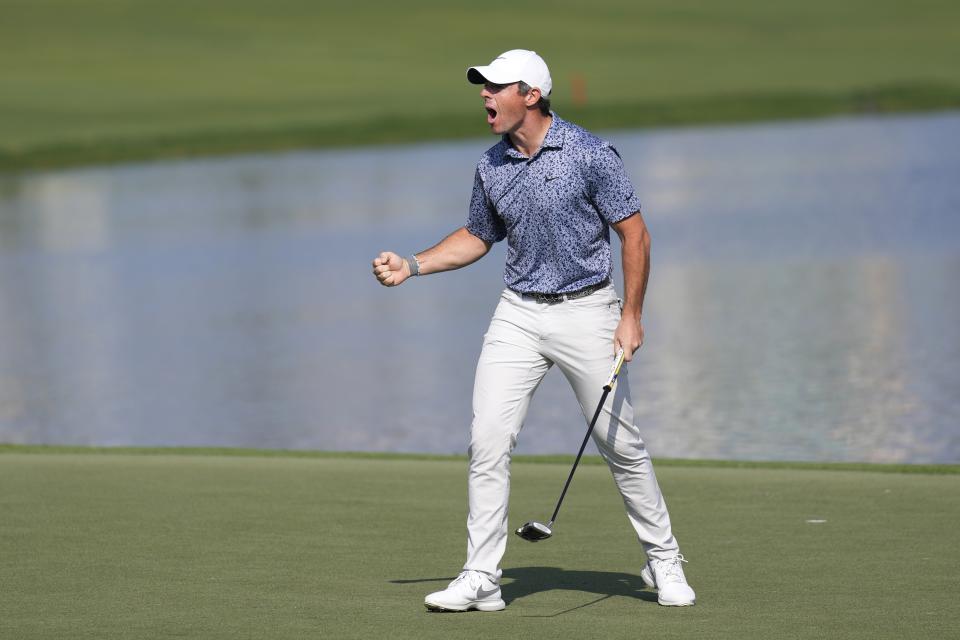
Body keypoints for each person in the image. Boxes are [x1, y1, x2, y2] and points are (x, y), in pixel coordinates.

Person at [372, 49, 696, 612]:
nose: (483, 95)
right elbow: (478, 235)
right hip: (518, 313)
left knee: (621, 444)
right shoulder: (490, 164)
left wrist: (631, 315)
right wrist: (414, 264)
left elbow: (635, 235)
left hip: (589, 310)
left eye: (494, 87)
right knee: (487, 442)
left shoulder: (590, 154)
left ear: (531, 94)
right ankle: (481, 578)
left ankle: (663, 557)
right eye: (482, 86)